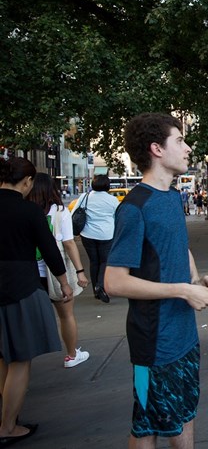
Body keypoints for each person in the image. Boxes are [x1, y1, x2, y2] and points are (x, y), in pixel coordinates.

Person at [104, 113, 208, 448]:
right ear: (157, 148)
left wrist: (197, 280)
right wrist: (182, 290)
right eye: (180, 140)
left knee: (184, 412)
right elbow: (113, 282)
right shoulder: (134, 207)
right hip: (153, 342)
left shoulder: (171, 196)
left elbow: (179, 248)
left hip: (183, 335)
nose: (188, 148)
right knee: (147, 426)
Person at [0, 157, 71, 445]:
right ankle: (7, 427)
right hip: (19, 286)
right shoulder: (28, 211)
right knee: (20, 358)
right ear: (27, 182)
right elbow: (50, 250)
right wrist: (64, 281)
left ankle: (5, 418)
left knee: (2, 357)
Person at [28, 173, 91, 367]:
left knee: (26, 320)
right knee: (66, 316)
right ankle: (71, 356)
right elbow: (69, 243)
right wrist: (80, 271)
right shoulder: (59, 211)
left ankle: (19, 362)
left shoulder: (25, 210)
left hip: (29, 274)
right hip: (56, 273)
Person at [73, 174, 119, 303]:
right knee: (105, 261)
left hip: (87, 234)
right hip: (106, 234)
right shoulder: (112, 200)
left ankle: (95, 290)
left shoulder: (84, 197)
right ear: (107, 185)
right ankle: (100, 285)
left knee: (94, 262)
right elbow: (118, 216)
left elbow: (75, 212)